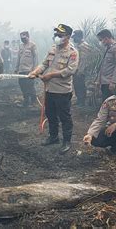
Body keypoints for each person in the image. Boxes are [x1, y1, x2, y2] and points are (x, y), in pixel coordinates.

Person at [28, 24, 79, 154]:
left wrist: (51, 75)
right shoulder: (52, 48)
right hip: (49, 89)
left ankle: (66, 141)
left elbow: (70, 70)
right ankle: (53, 136)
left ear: (67, 37)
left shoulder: (72, 52)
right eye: (56, 35)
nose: (57, 37)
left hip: (62, 91)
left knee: (65, 117)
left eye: (60, 35)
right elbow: (45, 63)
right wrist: (35, 71)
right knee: (50, 114)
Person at [96, 29, 116, 101]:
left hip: (110, 83)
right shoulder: (108, 49)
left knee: (111, 105)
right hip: (104, 82)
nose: (101, 42)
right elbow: (103, 66)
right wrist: (99, 80)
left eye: (101, 40)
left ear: (106, 38)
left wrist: (114, 82)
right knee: (106, 104)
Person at [16, 31, 38, 107]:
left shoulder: (32, 45)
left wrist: (34, 69)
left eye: (24, 38)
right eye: (21, 38)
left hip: (29, 70)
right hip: (21, 70)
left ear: (28, 36)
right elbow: (18, 57)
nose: (23, 39)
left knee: (30, 86)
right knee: (22, 85)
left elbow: (35, 57)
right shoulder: (21, 46)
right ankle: (26, 101)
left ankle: (33, 101)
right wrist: (16, 68)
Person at [72, 30, 91, 107]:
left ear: (79, 37)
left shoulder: (84, 46)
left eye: (75, 37)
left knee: (80, 85)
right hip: (76, 69)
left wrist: (80, 71)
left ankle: (81, 101)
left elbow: (84, 60)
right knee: (76, 84)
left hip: (80, 70)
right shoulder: (79, 45)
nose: (74, 39)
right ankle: (79, 100)